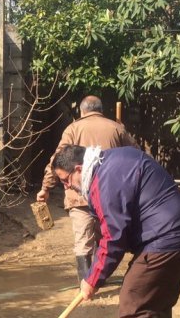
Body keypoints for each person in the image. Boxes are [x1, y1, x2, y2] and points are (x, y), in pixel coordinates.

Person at [52, 144, 180, 318]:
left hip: (165, 238)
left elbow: (113, 238)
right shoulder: (113, 160)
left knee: (132, 298)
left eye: (66, 180)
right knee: (157, 295)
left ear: (78, 169)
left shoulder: (104, 180)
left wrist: (93, 279)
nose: (67, 187)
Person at [36, 95, 136, 281]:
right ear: (101, 110)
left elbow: (57, 160)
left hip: (79, 196)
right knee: (105, 236)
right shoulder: (116, 128)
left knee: (83, 239)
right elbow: (134, 155)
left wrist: (46, 187)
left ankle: (86, 282)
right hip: (109, 194)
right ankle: (99, 278)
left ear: (82, 111)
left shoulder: (73, 128)